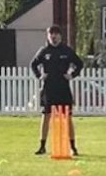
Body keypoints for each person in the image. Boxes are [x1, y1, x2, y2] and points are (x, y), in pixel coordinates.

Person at [31, 25, 85, 156]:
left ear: (60, 36)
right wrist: (40, 76)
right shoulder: (44, 51)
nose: (53, 37)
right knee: (46, 116)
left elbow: (80, 64)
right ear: (48, 36)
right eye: (51, 35)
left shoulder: (66, 51)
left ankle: (72, 147)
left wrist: (71, 75)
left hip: (63, 88)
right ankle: (42, 146)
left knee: (67, 117)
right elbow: (33, 64)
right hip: (49, 88)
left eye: (55, 34)